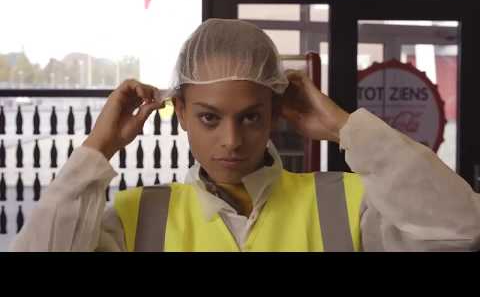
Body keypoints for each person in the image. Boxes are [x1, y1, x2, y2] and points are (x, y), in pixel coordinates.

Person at [10, 19, 480, 252]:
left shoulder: (345, 202)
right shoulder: (137, 218)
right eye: (211, 119)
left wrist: (346, 127)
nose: (231, 141)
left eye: (250, 118)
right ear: (181, 114)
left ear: (276, 114)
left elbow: (463, 229)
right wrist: (98, 149)